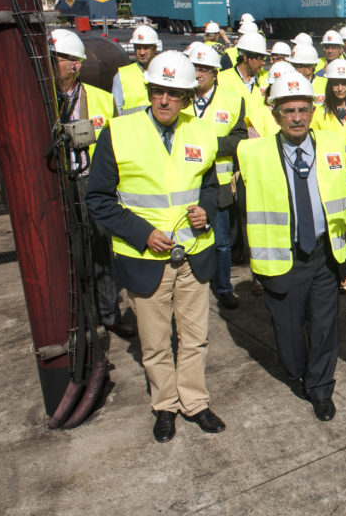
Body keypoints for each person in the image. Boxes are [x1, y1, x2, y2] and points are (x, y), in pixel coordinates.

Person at [86, 51, 225, 443]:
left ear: (186, 96)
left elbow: (212, 188)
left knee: (195, 337)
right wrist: (141, 232)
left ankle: (195, 402)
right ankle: (165, 406)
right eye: (158, 92)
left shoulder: (200, 132)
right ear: (149, 91)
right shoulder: (118, 132)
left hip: (194, 254)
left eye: (174, 94)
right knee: (155, 341)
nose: (164, 101)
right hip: (147, 259)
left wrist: (207, 211)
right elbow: (98, 198)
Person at [237, 71, 346, 422]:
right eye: (288, 111)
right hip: (282, 255)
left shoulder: (333, 144)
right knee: (288, 332)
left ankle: (321, 388)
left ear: (313, 112)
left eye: (303, 109)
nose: (297, 117)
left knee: (324, 326)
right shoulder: (252, 151)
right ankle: (298, 373)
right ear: (275, 115)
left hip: (324, 252)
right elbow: (244, 205)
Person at [51, 29, 135, 338]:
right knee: (73, 254)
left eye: (57, 59)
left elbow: (117, 145)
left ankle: (109, 313)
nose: (51, 64)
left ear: (74, 64)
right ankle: (84, 319)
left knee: (103, 250)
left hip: (93, 184)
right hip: (62, 184)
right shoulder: (43, 102)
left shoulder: (100, 99)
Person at [183, 42, 247, 310]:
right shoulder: (179, 97)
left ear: (214, 72)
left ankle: (223, 287)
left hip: (219, 184)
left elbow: (240, 138)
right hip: (184, 182)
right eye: (194, 67)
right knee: (186, 237)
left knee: (221, 240)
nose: (198, 73)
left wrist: (209, 146)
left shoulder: (232, 100)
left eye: (203, 69)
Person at [312, 60, 346, 290]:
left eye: (344, 84)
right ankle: (339, 267)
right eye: (335, 84)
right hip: (332, 180)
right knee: (336, 224)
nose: (340, 89)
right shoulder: (320, 114)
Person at [218, 31, 269, 117]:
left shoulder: (267, 78)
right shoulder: (221, 79)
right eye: (260, 58)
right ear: (246, 58)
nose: (263, 63)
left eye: (264, 59)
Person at [113, 24, 159, 115]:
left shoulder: (163, 72)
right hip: (131, 128)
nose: (142, 52)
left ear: (154, 48)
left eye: (146, 48)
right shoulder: (121, 76)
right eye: (138, 48)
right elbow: (117, 111)